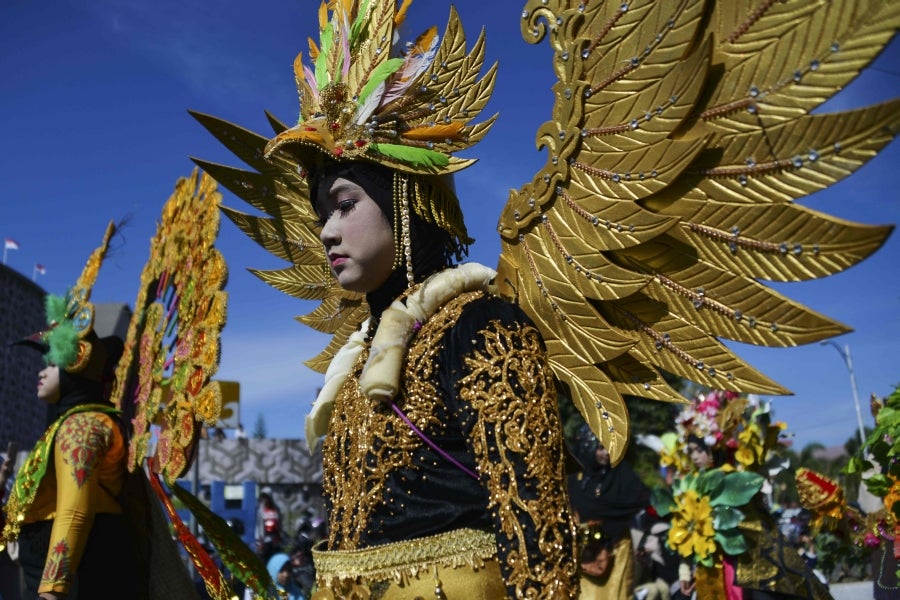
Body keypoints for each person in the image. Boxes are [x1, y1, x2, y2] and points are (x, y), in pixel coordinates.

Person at [202, 2, 578, 596]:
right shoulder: (355, 364)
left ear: (402, 201)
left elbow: (539, 538)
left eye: (345, 205)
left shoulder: (482, 329)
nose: (326, 230)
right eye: (322, 212)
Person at [2, 319, 137, 599]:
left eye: (51, 364)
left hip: (79, 582)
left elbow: (75, 510)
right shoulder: (69, 424)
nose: (41, 372)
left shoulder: (83, 426)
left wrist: (53, 590)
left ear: (74, 368)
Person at [568, 425, 650, 600]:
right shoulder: (575, 479)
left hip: (616, 550)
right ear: (588, 447)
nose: (606, 453)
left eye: (609, 448)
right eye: (600, 448)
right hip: (585, 556)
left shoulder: (621, 474)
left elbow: (643, 500)